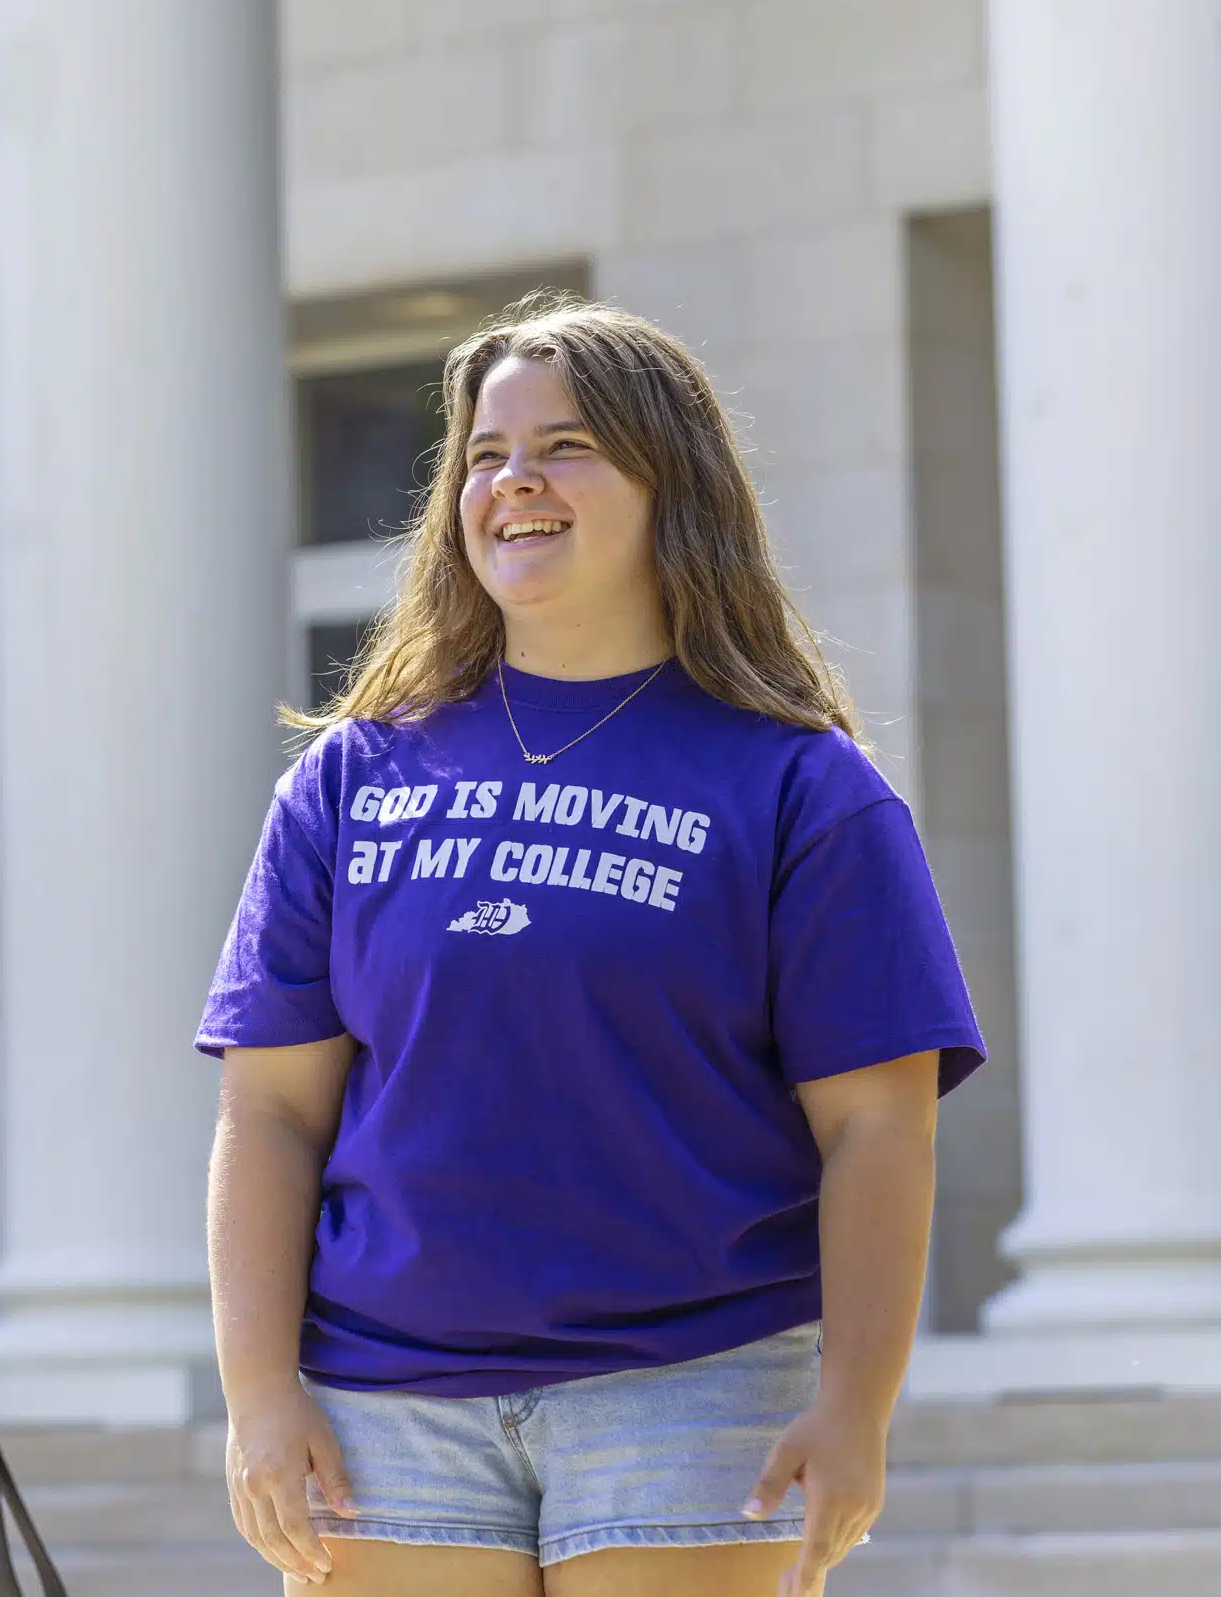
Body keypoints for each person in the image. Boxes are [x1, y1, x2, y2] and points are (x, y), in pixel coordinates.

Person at [201, 298, 984, 1597]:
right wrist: (257, 1393)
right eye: (487, 454)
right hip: (384, 1407)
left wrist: (856, 1404)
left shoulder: (800, 785)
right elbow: (271, 1111)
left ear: (668, 484)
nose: (515, 481)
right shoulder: (352, 775)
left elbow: (879, 1129)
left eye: (565, 446)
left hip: (690, 1391)